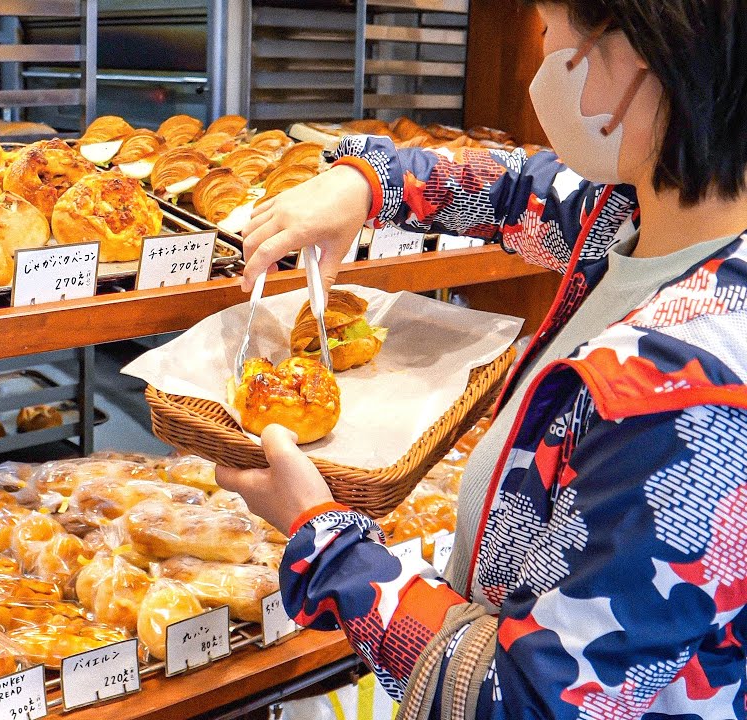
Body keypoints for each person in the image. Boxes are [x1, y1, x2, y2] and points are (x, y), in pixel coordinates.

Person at [216, 1, 747, 718]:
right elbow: (513, 188)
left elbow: (521, 698)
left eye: (550, 32)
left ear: (637, 57)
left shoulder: (683, 392)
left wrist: (322, 534)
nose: (540, 63)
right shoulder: (636, 218)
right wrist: (365, 183)